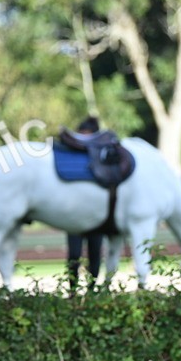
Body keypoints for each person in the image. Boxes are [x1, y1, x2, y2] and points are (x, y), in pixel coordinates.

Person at [66, 116, 104, 284]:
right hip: (75, 213)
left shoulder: (104, 159)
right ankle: (72, 289)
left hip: (95, 214)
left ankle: (92, 290)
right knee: (74, 254)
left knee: (95, 254)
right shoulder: (70, 157)